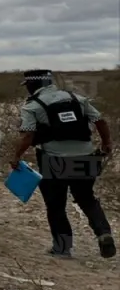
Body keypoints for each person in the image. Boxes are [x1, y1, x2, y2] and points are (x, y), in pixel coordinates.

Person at [9, 69, 114, 259]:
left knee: (56, 205)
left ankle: (62, 248)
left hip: (54, 161)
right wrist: (106, 144)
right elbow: (100, 121)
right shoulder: (77, 98)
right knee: (87, 199)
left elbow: (28, 135)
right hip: (86, 158)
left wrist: (16, 157)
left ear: (33, 85)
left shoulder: (32, 106)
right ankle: (104, 233)